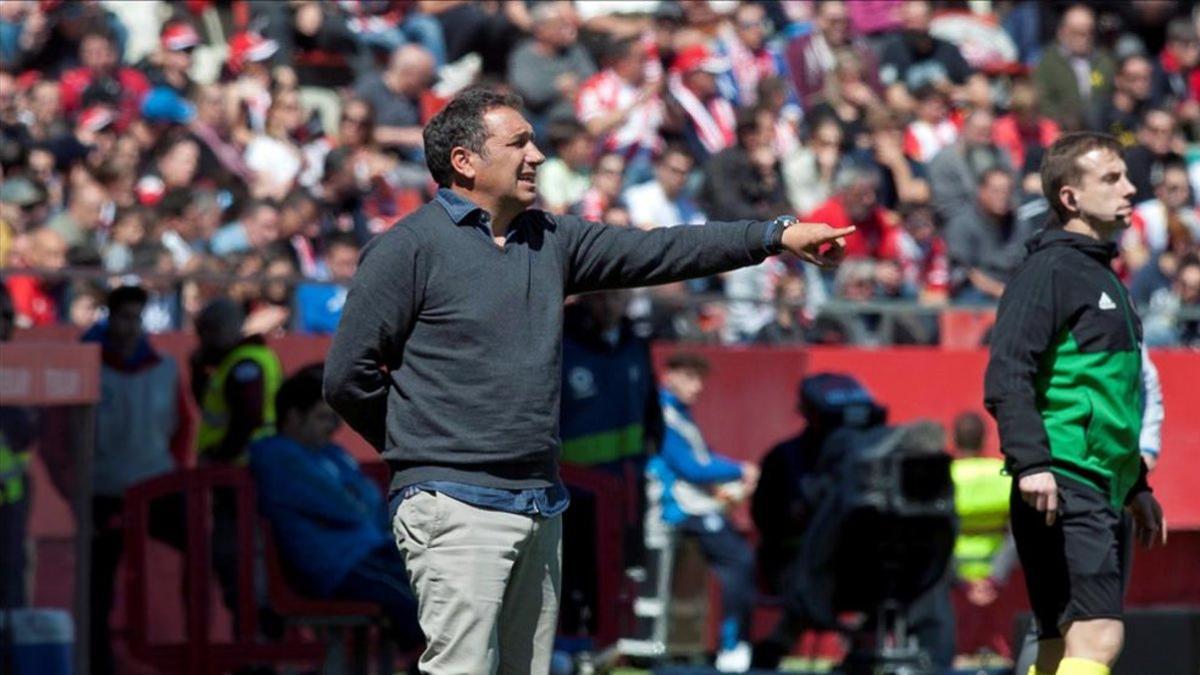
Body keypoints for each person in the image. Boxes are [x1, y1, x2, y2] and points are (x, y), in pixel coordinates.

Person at [323, 87, 853, 674]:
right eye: (518, 143)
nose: (538, 156)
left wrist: (774, 236)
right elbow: (348, 376)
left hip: (539, 503)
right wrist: (426, 453)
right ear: (464, 162)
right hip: (454, 505)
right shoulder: (407, 250)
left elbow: (664, 249)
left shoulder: (551, 239)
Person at [984, 132, 1166, 675]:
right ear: (1069, 197)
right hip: (1064, 476)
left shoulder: (1097, 272)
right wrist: (1034, 463)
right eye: (1111, 179)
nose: (1130, 189)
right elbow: (1007, 371)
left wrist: (1134, 485)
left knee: (1060, 641)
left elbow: (1112, 396)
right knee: (1098, 636)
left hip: (1093, 481)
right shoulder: (1051, 270)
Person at [249, 366, 421, 649]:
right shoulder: (277, 456)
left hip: (371, 553)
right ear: (293, 416)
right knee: (411, 602)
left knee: (437, 581)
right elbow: (345, 507)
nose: (332, 428)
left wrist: (355, 500)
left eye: (334, 419)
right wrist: (354, 498)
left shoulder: (332, 454)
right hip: (336, 567)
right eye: (321, 417)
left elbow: (370, 501)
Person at [83, 286, 192, 675]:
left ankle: (194, 650)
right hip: (103, 490)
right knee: (96, 586)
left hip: (156, 486)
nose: (130, 327)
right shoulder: (87, 365)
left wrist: (171, 471)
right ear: (109, 318)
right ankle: (97, 663)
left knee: (200, 553)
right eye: (123, 317)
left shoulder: (162, 367)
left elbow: (182, 426)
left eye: (136, 318)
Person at [557, 290, 662, 637]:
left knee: (617, 569)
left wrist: (654, 439)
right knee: (570, 573)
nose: (609, 306)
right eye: (601, 298)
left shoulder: (635, 343)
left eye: (616, 298)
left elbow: (650, 403)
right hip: (573, 488)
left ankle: (609, 644)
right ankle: (569, 647)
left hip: (625, 482)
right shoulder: (562, 341)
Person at [646, 352, 758, 672]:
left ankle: (724, 645)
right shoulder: (665, 413)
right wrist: (740, 470)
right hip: (676, 509)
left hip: (691, 506)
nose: (698, 387)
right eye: (690, 377)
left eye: (701, 379)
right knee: (739, 559)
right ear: (669, 375)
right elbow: (692, 468)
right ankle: (732, 646)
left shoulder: (682, 414)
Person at [190, 297, 284, 617]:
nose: (202, 341)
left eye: (205, 333)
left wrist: (221, 456)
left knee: (239, 556)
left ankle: (255, 629)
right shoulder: (241, 361)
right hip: (246, 475)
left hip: (242, 475)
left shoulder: (245, 364)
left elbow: (248, 416)